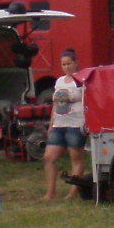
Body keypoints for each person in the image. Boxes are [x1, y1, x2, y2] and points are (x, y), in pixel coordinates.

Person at [43, 49, 85, 200]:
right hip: (59, 124)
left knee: (75, 158)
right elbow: (55, 103)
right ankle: (50, 192)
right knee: (49, 157)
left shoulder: (82, 80)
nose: (67, 67)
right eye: (64, 64)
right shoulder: (59, 81)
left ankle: (73, 192)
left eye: (69, 63)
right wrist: (51, 124)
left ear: (76, 63)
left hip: (76, 124)